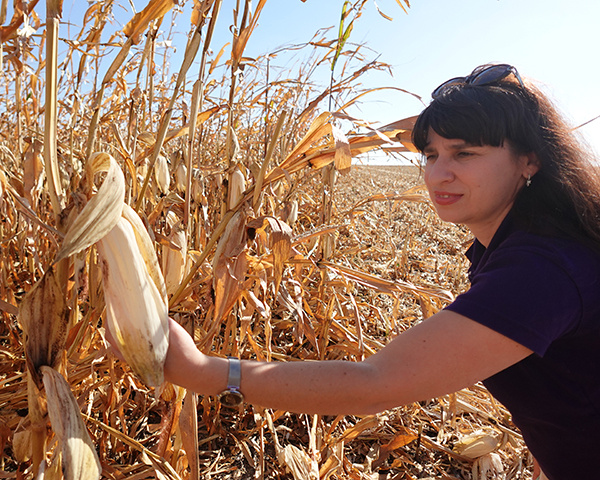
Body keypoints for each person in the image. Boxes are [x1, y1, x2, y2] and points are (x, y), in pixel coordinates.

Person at [111, 64, 600, 480]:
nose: (437, 174)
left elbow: (375, 385)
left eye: (465, 154)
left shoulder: (543, 269)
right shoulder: (520, 246)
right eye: (431, 154)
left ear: (529, 160)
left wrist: (204, 372)